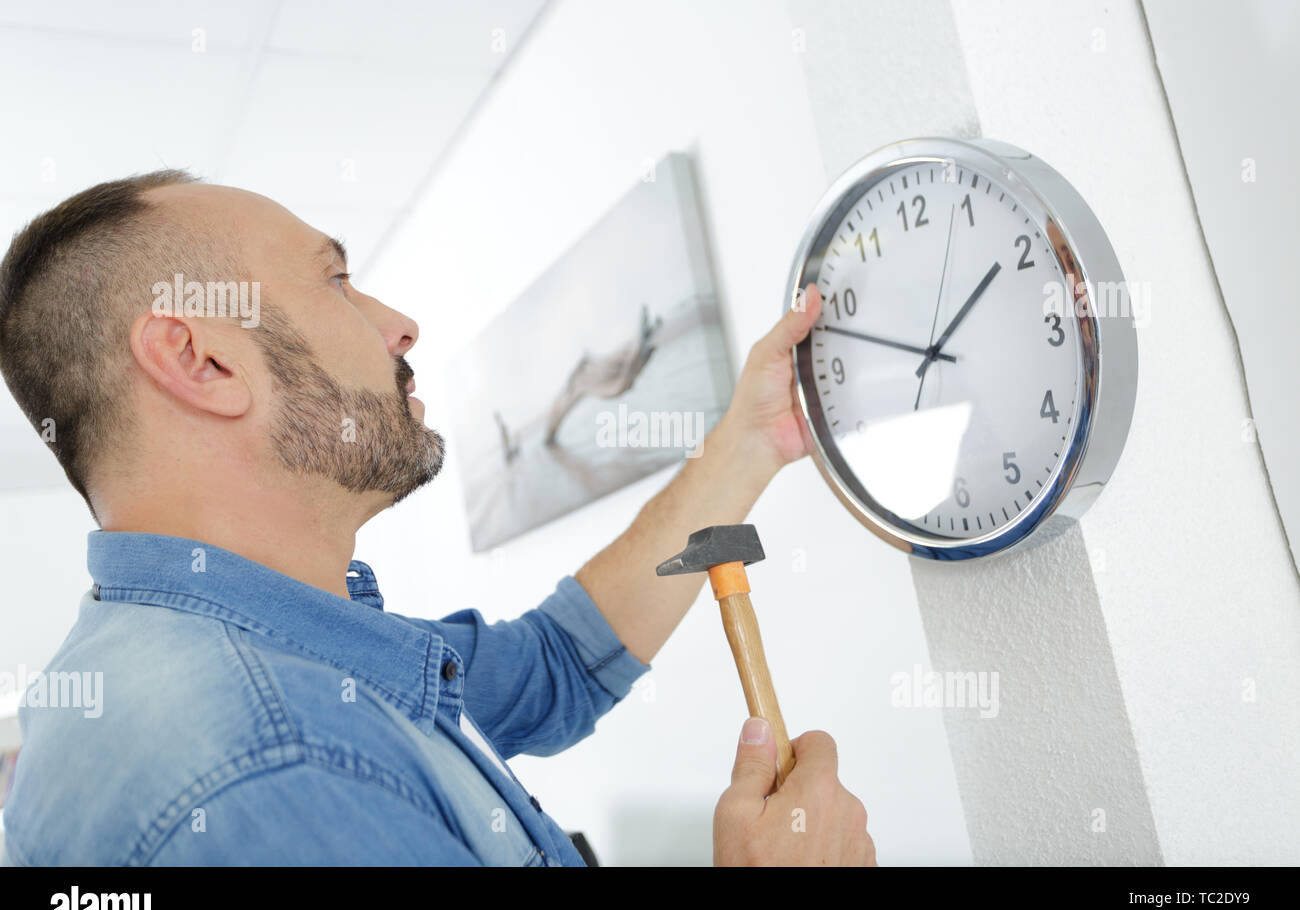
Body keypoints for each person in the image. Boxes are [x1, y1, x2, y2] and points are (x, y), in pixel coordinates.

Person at [0, 171, 875, 866]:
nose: (400, 325)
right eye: (338, 280)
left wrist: (752, 440)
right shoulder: (270, 770)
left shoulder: (265, 641)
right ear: (203, 360)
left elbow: (555, 665)